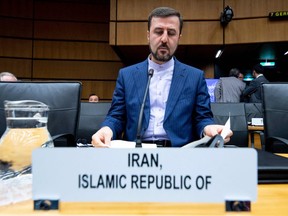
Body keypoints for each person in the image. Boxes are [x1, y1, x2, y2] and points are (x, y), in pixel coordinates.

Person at [91, 7, 232, 147]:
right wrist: (106, 129)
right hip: (136, 155)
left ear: (179, 38)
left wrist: (208, 129)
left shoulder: (195, 77)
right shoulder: (126, 75)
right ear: (148, 35)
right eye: (158, 32)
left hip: (179, 154)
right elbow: (116, 116)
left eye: (171, 33)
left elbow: (202, 118)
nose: (164, 39)